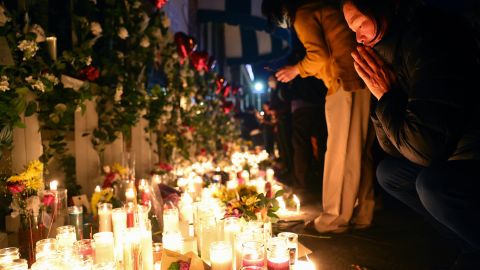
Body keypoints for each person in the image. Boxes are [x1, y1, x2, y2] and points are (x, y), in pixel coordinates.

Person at [342, 0, 480, 256]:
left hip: (470, 152)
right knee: (389, 173)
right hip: (447, 151)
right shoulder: (387, 55)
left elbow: (425, 149)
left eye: (360, 23)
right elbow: (392, 148)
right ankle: (467, 247)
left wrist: (387, 95)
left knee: (433, 184)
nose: (358, 38)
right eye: (352, 30)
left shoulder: (427, 39)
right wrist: (379, 94)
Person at [262, 0, 376, 233]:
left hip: (344, 81)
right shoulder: (320, 4)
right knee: (358, 149)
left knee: (339, 151)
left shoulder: (303, 13)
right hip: (361, 77)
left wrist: (296, 69)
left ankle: (333, 219)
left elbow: (319, 57)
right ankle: (363, 212)